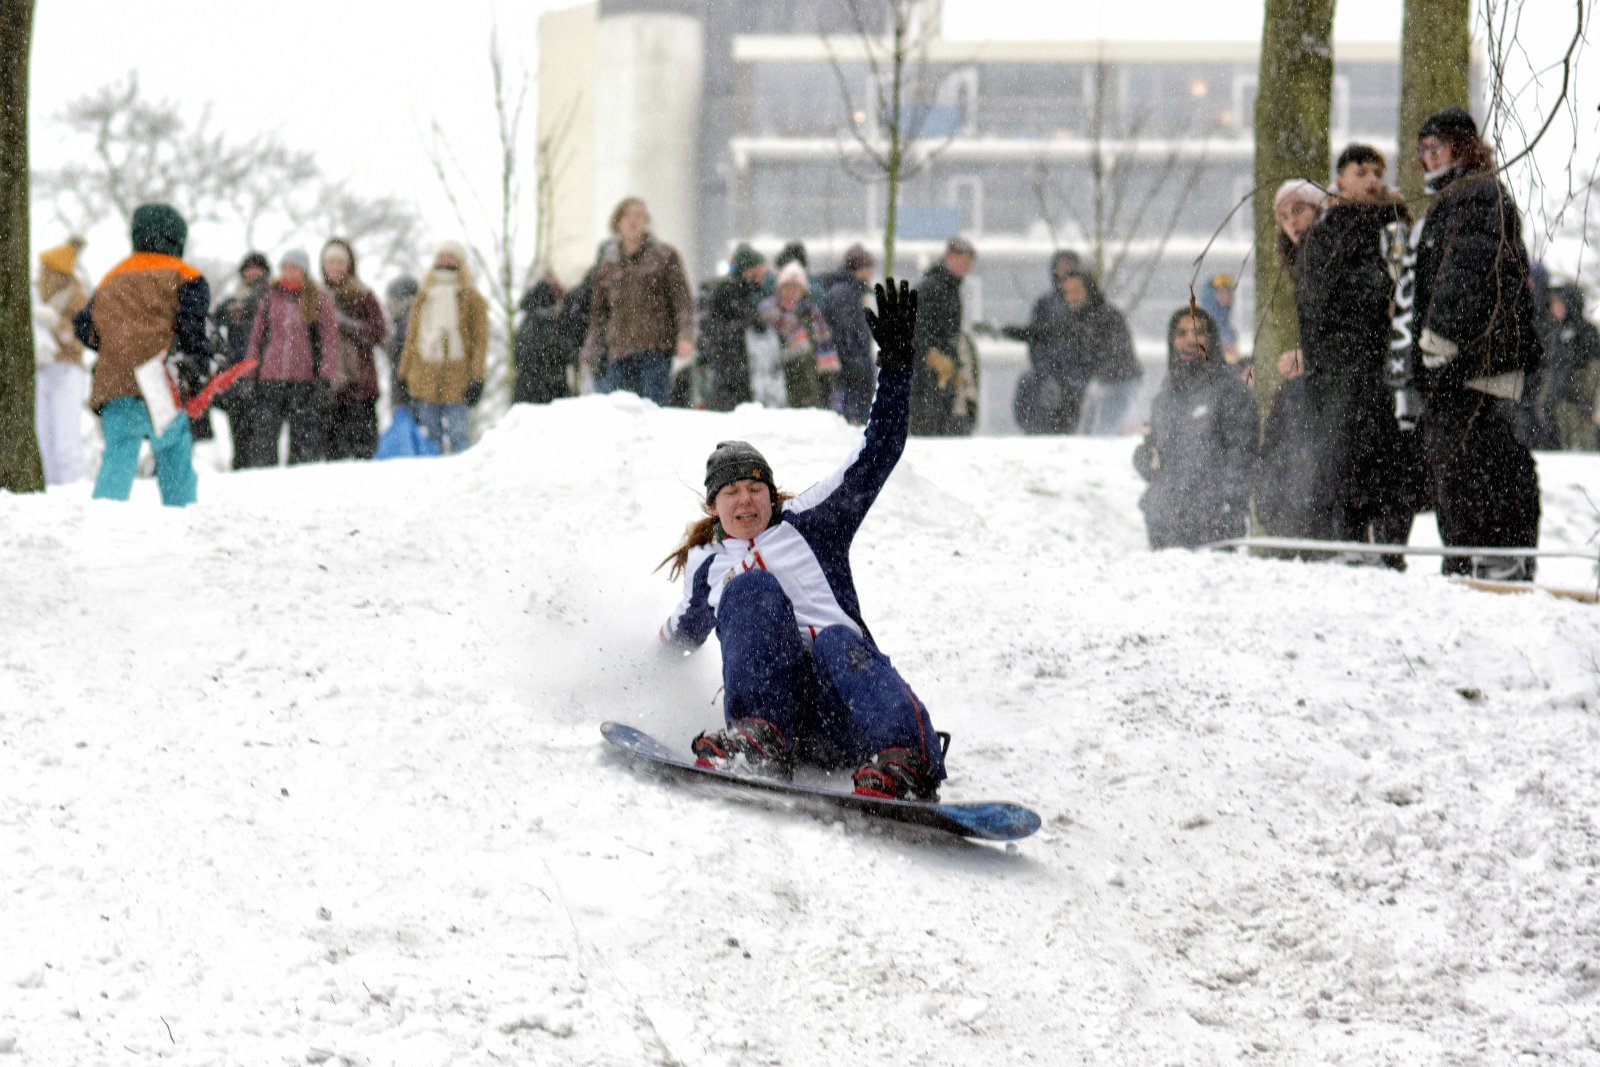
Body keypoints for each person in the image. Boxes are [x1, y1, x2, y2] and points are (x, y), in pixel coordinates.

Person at [658, 278, 947, 801]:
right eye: (731, 493)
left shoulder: (813, 521)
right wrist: (620, 675)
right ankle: (758, 743)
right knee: (750, 590)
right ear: (713, 506)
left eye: (754, 488)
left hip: (850, 714)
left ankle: (905, 758)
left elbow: (877, 449)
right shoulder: (707, 565)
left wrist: (898, 365)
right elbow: (678, 636)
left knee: (837, 639)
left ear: (770, 494)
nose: (745, 501)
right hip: (784, 724)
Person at [1398, 107, 1543, 579]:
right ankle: (1474, 561)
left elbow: (1468, 270)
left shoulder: (1474, 195)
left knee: (1474, 466)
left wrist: (1440, 338)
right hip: (1470, 364)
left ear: (1461, 147)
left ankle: (1488, 563)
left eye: (1435, 146)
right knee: (1469, 467)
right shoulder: (1461, 197)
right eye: (1421, 149)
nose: (1426, 157)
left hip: (1473, 364)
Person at [1295, 144, 1427, 564]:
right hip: (1345, 376)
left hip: (1391, 372)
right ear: (1340, 181)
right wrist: (1378, 294)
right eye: (1361, 172)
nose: (1372, 180)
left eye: (1377, 172)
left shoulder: (1399, 230)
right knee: (1346, 467)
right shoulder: (1327, 235)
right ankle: (1350, 548)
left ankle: (1391, 554)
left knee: (1395, 470)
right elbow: (1323, 299)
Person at [72, 203, 209, 507]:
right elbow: (192, 329)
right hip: (161, 379)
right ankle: (182, 513)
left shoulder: (112, 277)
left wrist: (114, 347)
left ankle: (104, 516)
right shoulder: (186, 276)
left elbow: (83, 325)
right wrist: (198, 362)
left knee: (119, 453)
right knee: (173, 448)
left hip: (116, 380)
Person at [1133, 307, 1258, 549]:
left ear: (1211, 339)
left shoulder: (1231, 392)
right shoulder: (1164, 399)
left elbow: (1242, 456)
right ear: (1172, 341)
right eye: (1182, 333)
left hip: (1213, 530)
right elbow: (1158, 462)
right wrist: (1144, 458)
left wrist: (1230, 508)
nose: (1190, 340)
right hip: (1164, 529)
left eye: (1198, 332)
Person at [1254, 179, 1329, 541]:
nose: (1292, 222)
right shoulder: (1302, 266)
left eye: (1298, 209)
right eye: (1284, 216)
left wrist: (1312, 357)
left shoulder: (1330, 255)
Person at [580, 197, 695, 405]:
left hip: (655, 349)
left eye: (639, 215)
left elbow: (682, 301)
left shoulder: (665, 256)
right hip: (619, 352)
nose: (633, 221)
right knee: (622, 415)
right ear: (618, 222)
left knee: (652, 412)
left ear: (646, 221)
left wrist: (685, 335)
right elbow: (599, 315)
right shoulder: (607, 265)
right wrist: (592, 350)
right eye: (628, 216)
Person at [239, 248, 341, 467]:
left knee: (304, 441)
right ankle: (263, 478)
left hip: (304, 380)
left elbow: (330, 340)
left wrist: (325, 376)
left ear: (304, 271)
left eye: (294, 268)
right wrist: (249, 375)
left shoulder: (318, 299)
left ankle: (299, 481)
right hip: (270, 378)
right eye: (285, 268)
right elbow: (256, 339)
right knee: (264, 439)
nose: (289, 272)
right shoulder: (269, 298)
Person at [1008, 269, 1135, 435]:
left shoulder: (1108, 317)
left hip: (1119, 386)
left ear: (1089, 290)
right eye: (1066, 292)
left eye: (1076, 291)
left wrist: (1094, 379)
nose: (1071, 297)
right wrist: (1008, 332)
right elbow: (1043, 334)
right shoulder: (1073, 319)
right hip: (1094, 388)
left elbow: (1117, 356)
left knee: (1102, 436)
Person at [397, 241, 490, 453]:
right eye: (442, 256)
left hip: (459, 377)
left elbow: (480, 341)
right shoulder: (423, 297)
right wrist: (403, 374)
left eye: (451, 256)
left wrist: (477, 377)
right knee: (430, 436)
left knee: (459, 434)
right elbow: (412, 338)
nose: (446, 261)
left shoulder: (472, 299)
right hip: (424, 376)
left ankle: (464, 480)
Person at [320, 238, 387, 461]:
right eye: (330, 262)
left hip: (360, 386)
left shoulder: (364, 295)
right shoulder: (316, 298)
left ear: (349, 265)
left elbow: (378, 332)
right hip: (329, 388)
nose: (336, 268)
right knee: (333, 458)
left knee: (363, 454)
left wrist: (345, 324)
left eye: (340, 262)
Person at [32, 236, 90, 485]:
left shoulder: (78, 298)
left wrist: (58, 324)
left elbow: (80, 339)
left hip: (67, 369)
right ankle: (51, 489)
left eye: (45, 271)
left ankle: (72, 490)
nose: (41, 276)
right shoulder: (36, 295)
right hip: (43, 368)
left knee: (65, 441)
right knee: (43, 439)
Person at [209, 251, 272, 469]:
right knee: (239, 437)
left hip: (264, 377)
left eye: (257, 268)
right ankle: (240, 473)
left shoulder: (271, 299)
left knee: (263, 440)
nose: (252, 273)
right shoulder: (231, 302)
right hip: (236, 377)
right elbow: (211, 327)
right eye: (248, 268)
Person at [910, 236, 976, 435]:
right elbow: (915, 329)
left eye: (969, 263)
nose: (966, 267)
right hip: (926, 375)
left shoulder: (950, 288)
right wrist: (932, 355)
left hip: (941, 373)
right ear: (949, 257)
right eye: (963, 261)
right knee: (931, 430)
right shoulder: (932, 287)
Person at [758, 261, 839, 410]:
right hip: (775, 383)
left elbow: (825, 356)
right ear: (779, 289)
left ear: (803, 291)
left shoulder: (812, 315)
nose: (791, 291)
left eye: (795, 287)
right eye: (786, 286)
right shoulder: (766, 314)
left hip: (809, 383)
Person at [698, 244, 768, 412]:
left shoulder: (739, 291)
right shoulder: (731, 291)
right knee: (730, 407)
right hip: (730, 364)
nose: (763, 276)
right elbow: (742, 323)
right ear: (748, 270)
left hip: (730, 363)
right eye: (759, 270)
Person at [1532, 284, 1600, 451]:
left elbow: (1594, 368)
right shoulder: (1552, 331)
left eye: (1559, 303)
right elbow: (1550, 368)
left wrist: (1586, 398)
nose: (1555, 308)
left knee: (1584, 450)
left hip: (1579, 404)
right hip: (1557, 402)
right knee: (1564, 451)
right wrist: (1544, 398)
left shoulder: (1585, 331)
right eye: (1553, 304)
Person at [819, 243, 877, 424]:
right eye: (869, 268)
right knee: (852, 422)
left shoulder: (848, 291)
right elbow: (847, 335)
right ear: (861, 269)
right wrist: (859, 365)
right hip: (850, 371)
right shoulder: (846, 294)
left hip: (850, 368)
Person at [512, 272, 575, 405]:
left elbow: (518, 357)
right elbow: (567, 353)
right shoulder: (557, 323)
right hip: (554, 391)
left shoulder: (525, 322)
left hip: (526, 392)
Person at [382, 275, 419, 404]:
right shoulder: (400, 323)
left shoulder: (406, 324)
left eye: (391, 300)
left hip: (407, 393)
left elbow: (398, 355)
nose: (388, 305)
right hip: (407, 391)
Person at [1196, 273, 1241, 365]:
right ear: (1213, 295)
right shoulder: (1207, 320)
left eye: (1229, 293)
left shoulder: (1226, 321)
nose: (1227, 297)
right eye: (1222, 292)